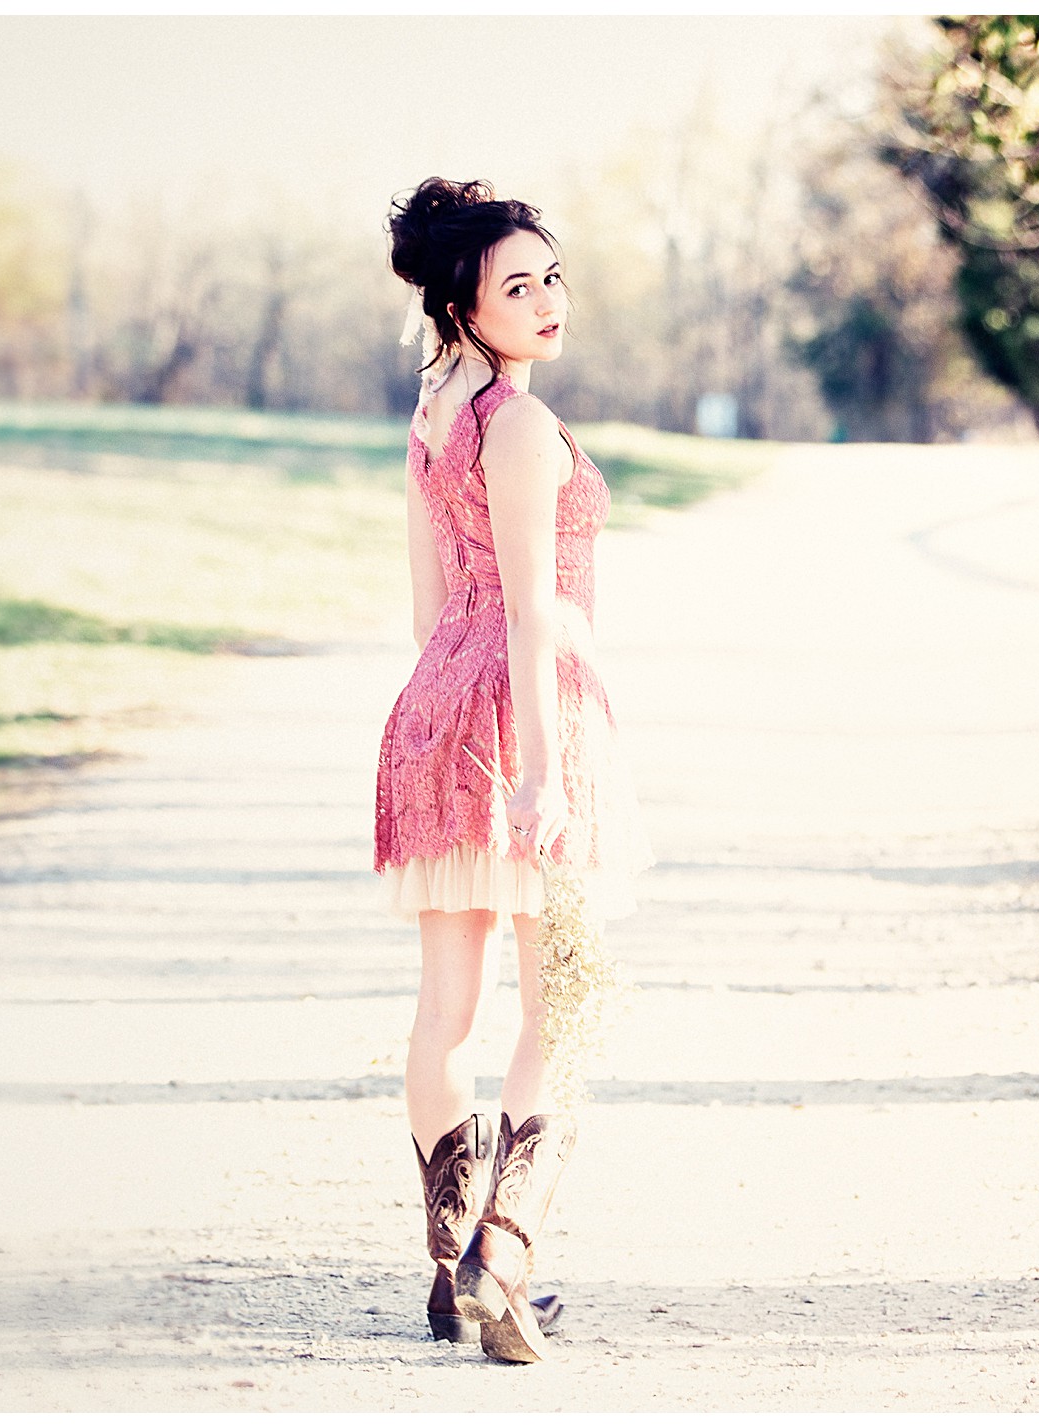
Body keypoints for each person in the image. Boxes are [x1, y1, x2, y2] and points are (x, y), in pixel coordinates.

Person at [376, 177, 646, 1364]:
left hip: (436, 705)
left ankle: (452, 1276)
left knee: (447, 1015)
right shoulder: (523, 426)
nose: (546, 302)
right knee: (566, 1005)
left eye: (551, 278)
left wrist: (444, 718)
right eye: (517, 286)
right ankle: (503, 1256)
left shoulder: (436, 417)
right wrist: (540, 774)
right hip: (534, 718)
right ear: (463, 305)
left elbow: (433, 604)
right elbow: (532, 616)